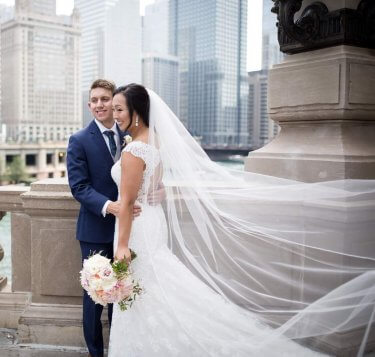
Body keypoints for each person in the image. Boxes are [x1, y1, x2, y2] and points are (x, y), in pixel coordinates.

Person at [107, 83, 375, 356]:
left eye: (119, 109)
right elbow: (153, 187)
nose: (114, 115)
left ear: (136, 111)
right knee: (151, 286)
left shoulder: (134, 151)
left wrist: (122, 246)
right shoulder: (153, 143)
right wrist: (153, 193)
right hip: (151, 220)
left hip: (137, 227)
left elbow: (128, 203)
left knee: (140, 286)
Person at [67, 79, 140, 357]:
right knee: (95, 298)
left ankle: (119, 349)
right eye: (94, 100)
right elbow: (79, 187)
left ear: (115, 102)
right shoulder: (79, 140)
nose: (100, 104)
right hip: (95, 230)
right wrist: (112, 207)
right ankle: (96, 353)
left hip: (128, 231)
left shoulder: (130, 136)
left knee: (121, 294)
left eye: (105, 99)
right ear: (89, 105)